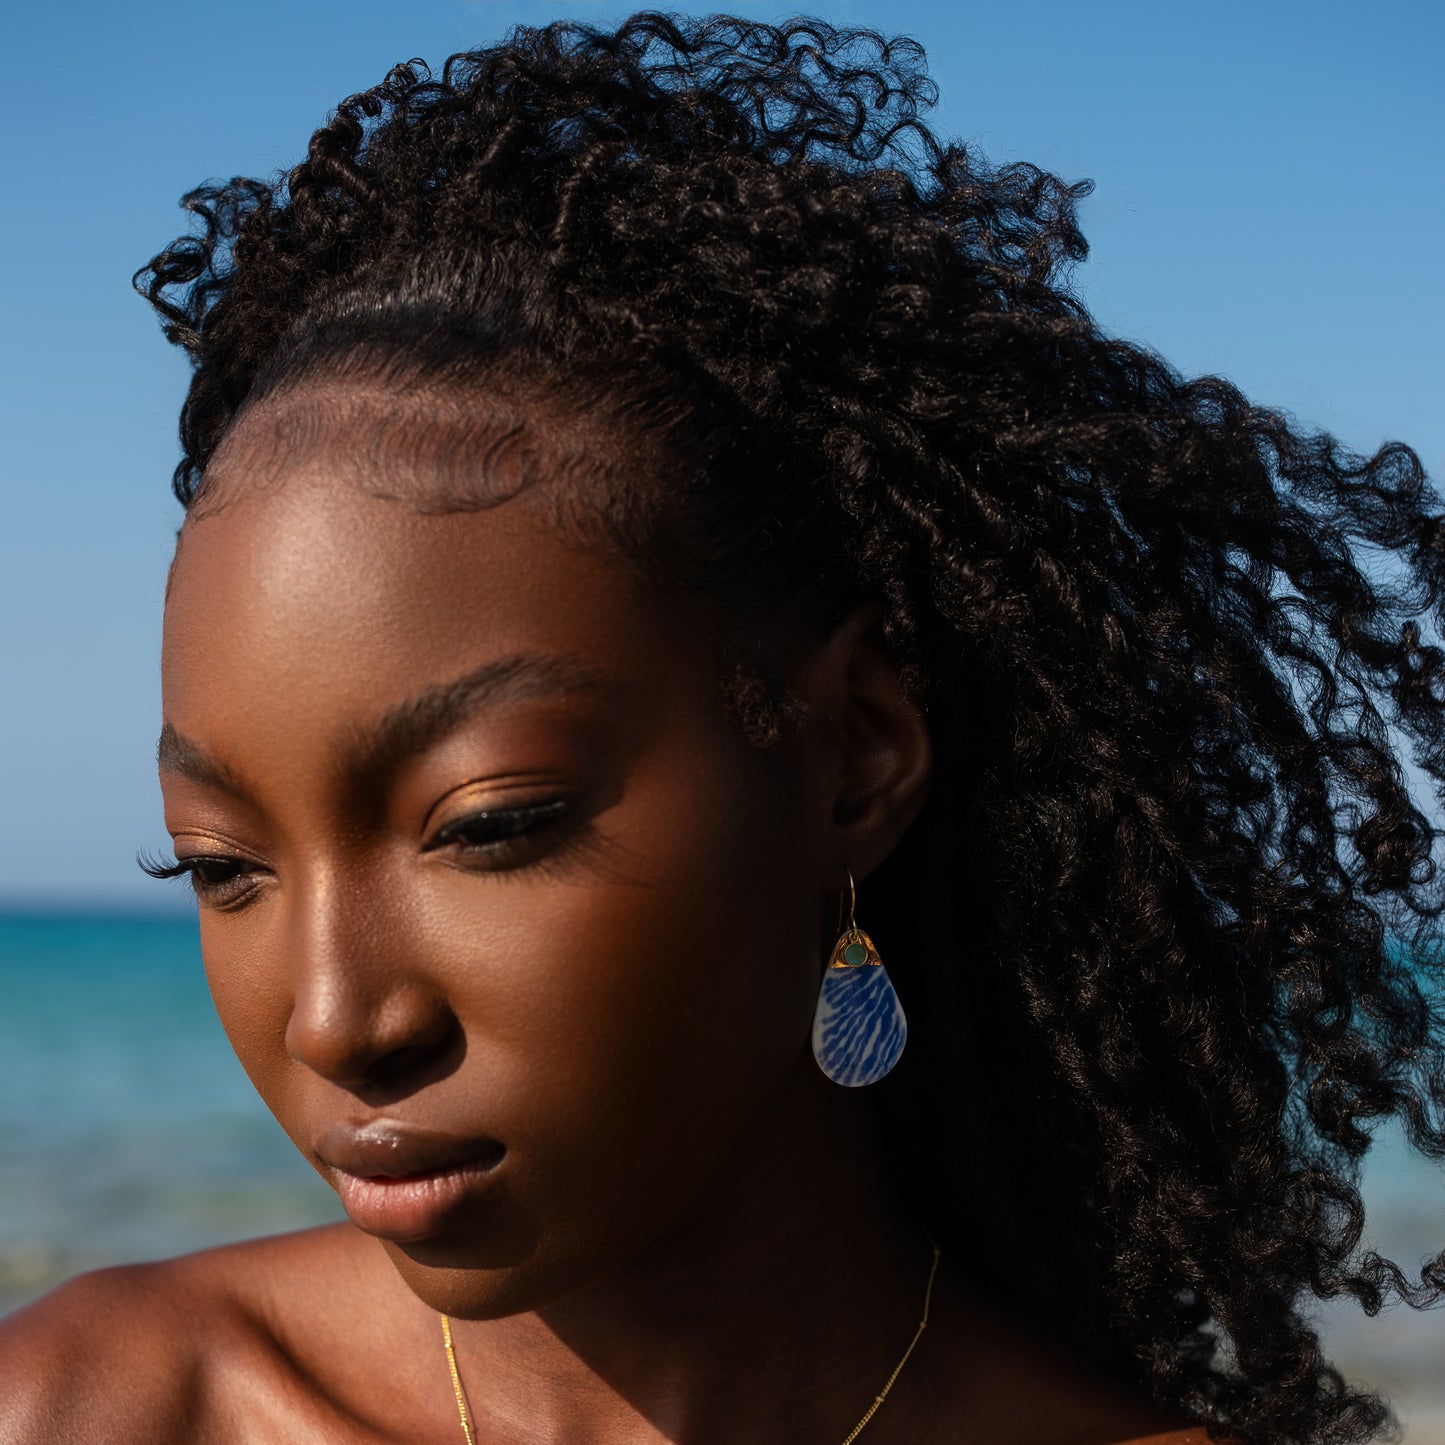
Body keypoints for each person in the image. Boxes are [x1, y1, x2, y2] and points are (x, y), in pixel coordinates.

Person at [2, 13, 1442, 1443]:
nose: (335, 1017)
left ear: (857, 750)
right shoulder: (88, 1407)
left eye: (489, 824)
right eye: (221, 864)